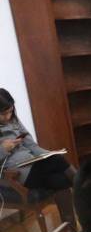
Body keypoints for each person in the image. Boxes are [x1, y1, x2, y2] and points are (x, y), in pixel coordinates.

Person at [0, 88, 75, 224]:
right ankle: (88, 191)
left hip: (33, 164)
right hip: (16, 174)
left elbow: (32, 146)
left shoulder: (14, 121)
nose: (8, 117)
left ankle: (72, 229)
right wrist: (3, 149)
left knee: (59, 180)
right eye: (3, 114)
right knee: (57, 161)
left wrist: (48, 155)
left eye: (10, 111)